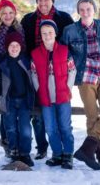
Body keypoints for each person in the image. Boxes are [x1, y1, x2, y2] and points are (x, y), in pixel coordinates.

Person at [61, 0, 100, 171]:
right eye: (82, 9)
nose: (85, 12)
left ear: (94, 10)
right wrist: (72, 66)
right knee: (92, 117)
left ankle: (87, 149)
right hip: (85, 76)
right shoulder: (70, 30)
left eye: (88, 9)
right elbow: (64, 52)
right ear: (78, 11)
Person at [21, 0, 74, 160]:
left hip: (58, 73)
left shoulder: (64, 18)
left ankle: (64, 153)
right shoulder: (28, 20)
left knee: (61, 121)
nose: (43, 3)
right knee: (39, 115)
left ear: (52, 0)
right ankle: (42, 148)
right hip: (35, 68)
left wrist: (68, 83)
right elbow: (21, 44)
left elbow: (71, 45)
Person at [31, 20, 76, 169]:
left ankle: (68, 155)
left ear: (55, 33)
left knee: (65, 126)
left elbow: (72, 71)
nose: (47, 35)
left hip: (63, 96)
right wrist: (39, 89)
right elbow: (34, 74)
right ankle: (57, 154)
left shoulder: (64, 50)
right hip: (46, 97)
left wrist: (67, 88)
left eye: (50, 32)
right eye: (44, 33)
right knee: (50, 128)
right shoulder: (36, 54)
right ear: (41, 36)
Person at [0, 32, 35, 167]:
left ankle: (25, 153)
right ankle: (14, 152)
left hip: (24, 100)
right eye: (11, 45)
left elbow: (32, 80)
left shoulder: (26, 61)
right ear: (7, 47)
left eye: (17, 45)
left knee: (25, 128)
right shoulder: (3, 63)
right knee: (11, 128)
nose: (14, 48)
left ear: (21, 46)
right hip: (9, 101)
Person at [0, 0, 25, 157]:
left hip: (17, 76)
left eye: (11, 12)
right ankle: (7, 143)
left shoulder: (20, 29)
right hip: (1, 76)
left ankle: (18, 143)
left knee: (18, 112)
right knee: (4, 111)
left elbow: (23, 52)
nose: (8, 16)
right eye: (4, 13)